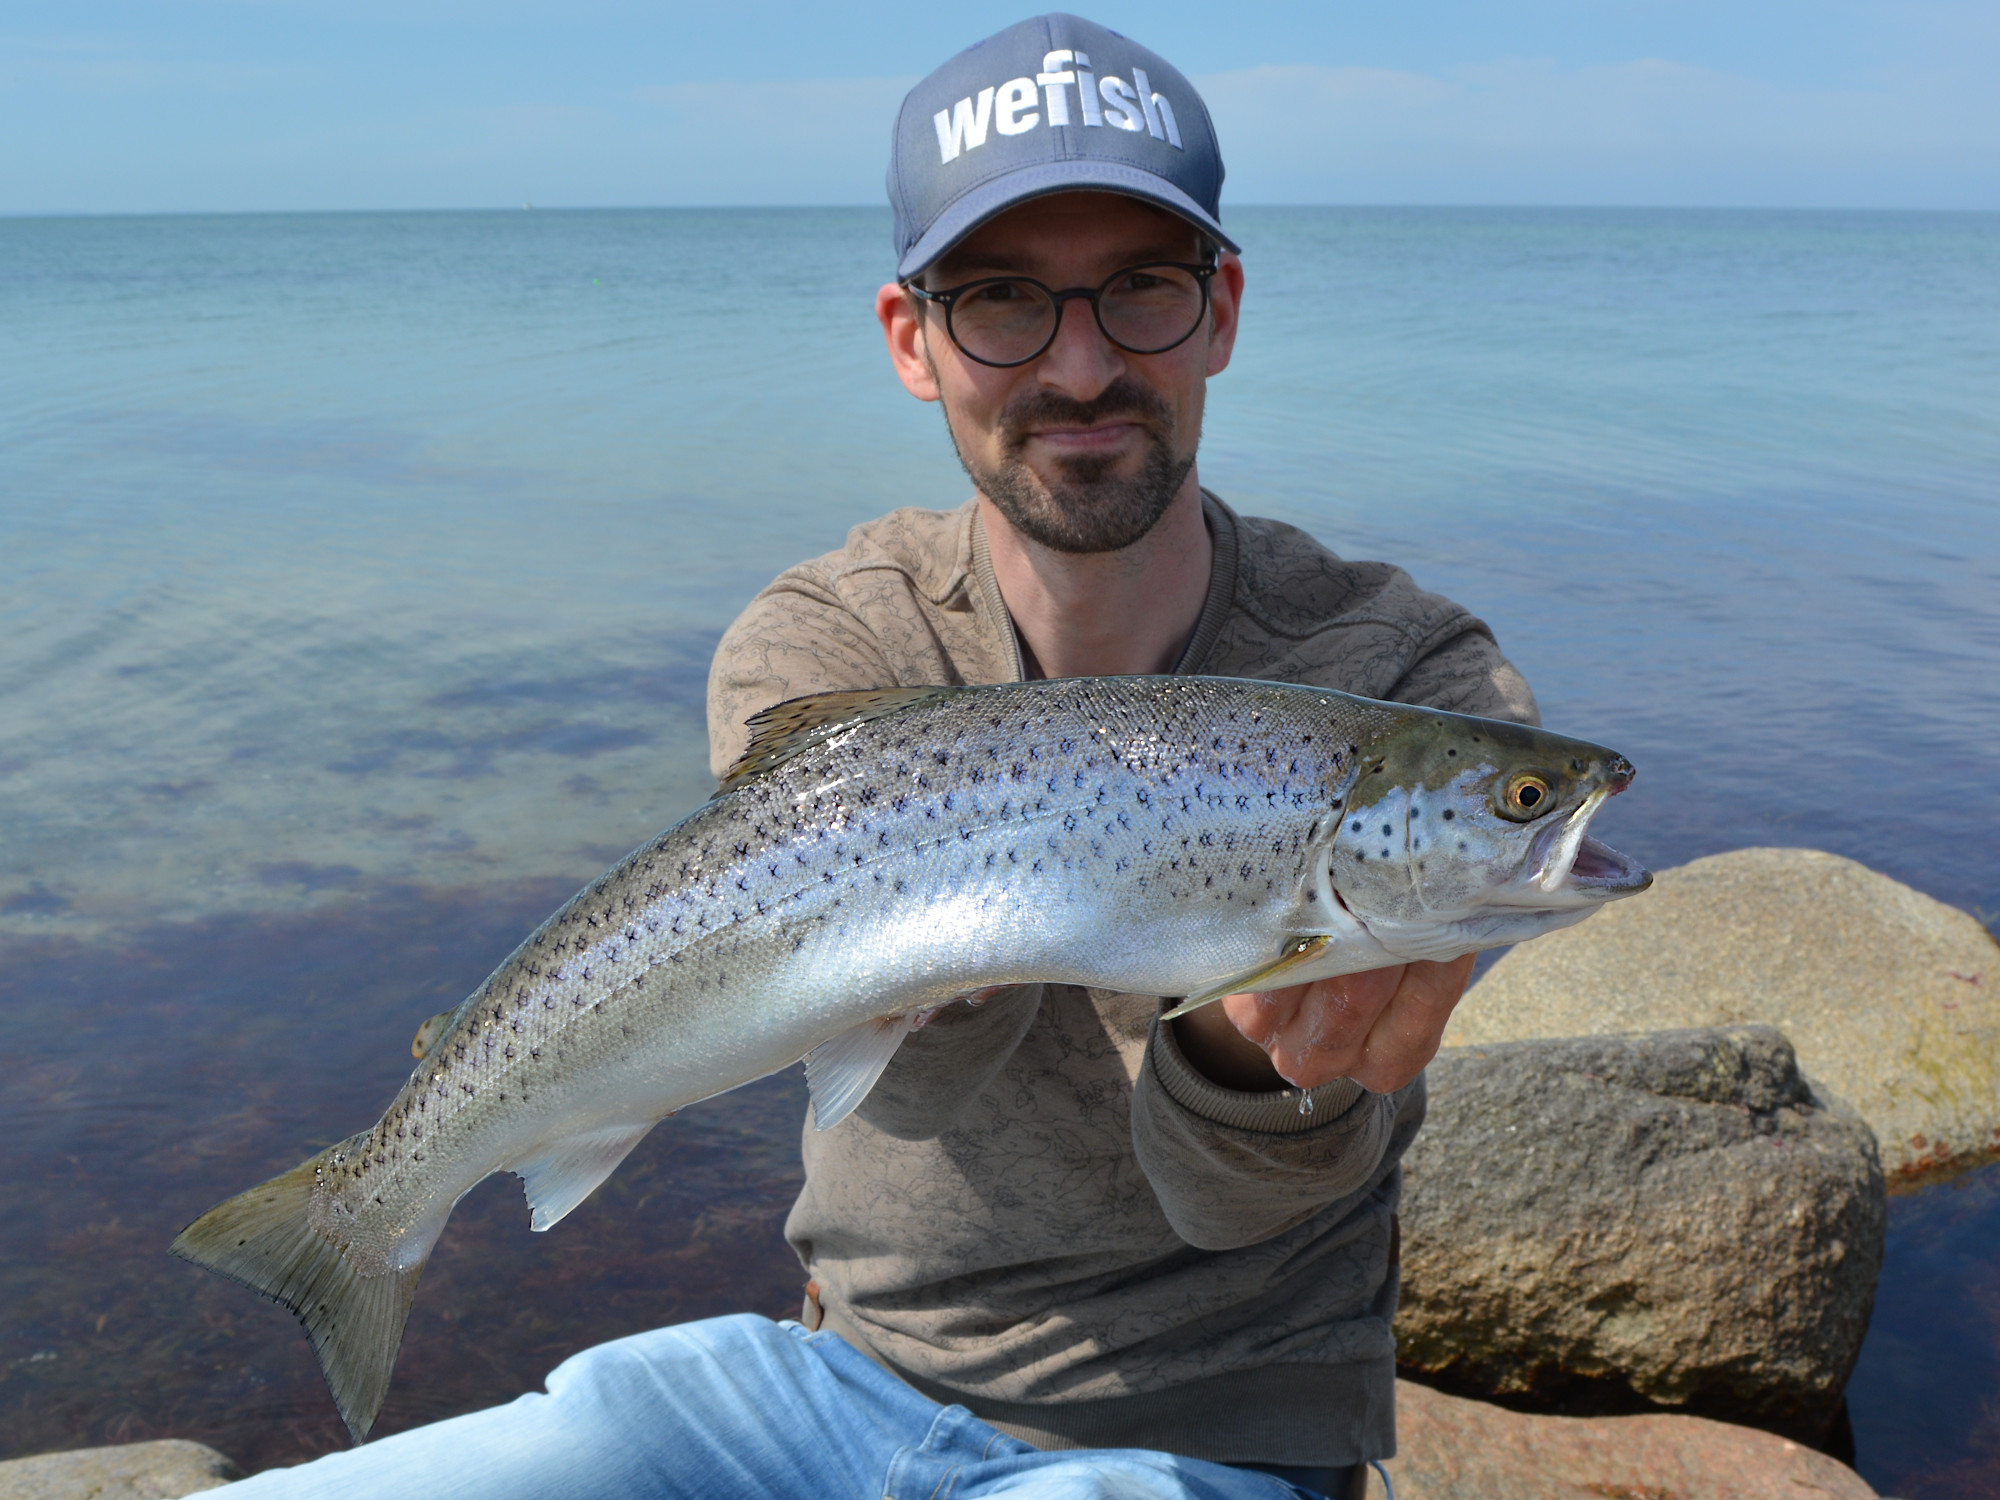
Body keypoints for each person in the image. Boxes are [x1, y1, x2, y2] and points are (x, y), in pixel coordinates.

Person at [214, 15, 1535, 1500]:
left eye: (1142, 293)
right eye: (1001, 302)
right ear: (914, 339)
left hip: (1199, 1436)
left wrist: (1255, 1029)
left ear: (1221, 309)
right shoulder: (822, 643)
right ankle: (356, 1216)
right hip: (829, 1387)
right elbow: (889, 1088)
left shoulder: (1408, 680)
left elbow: (1242, 1203)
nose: (1081, 364)